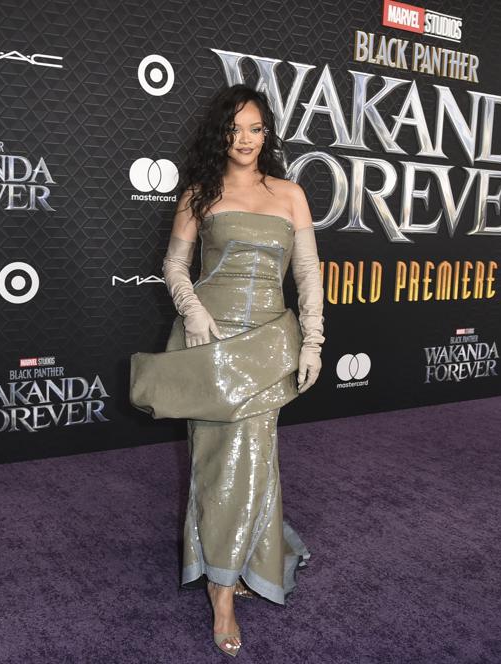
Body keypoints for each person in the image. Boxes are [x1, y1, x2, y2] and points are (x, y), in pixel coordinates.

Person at [129, 83, 325, 657]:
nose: (245, 139)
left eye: (255, 128)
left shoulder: (290, 194)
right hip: (211, 343)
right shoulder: (198, 194)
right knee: (214, 461)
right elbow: (174, 265)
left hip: (267, 345)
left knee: (256, 457)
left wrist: (313, 341)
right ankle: (221, 586)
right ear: (221, 134)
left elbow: (308, 273)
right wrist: (191, 311)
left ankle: (239, 565)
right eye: (235, 128)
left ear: (267, 134)